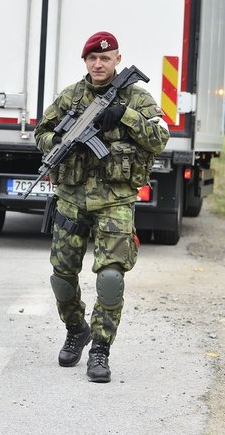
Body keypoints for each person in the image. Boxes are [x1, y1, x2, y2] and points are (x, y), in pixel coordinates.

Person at [34, 31, 169, 383]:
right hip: (72, 198)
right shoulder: (71, 96)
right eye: (93, 58)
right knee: (61, 276)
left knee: (110, 278)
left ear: (117, 60)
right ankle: (77, 329)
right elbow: (41, 135)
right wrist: (63, 139)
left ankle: (100, 351)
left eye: (105, 58)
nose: (98, 63)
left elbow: (159, 138)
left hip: (116, 200)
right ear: (85, 62)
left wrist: (124, 115)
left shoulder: (136, 96)